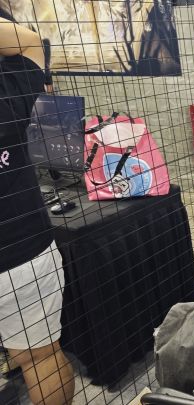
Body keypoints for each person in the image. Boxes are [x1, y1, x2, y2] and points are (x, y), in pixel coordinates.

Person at [0, 14, 75, 405]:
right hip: (20, 247)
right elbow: (30, 41)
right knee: (40, 355)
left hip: (20, 246)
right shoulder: (7, 88)